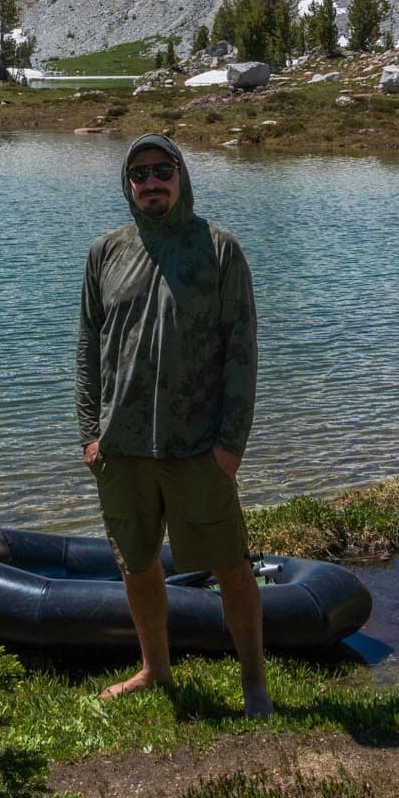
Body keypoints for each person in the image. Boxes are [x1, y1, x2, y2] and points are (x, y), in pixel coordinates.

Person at [75, 133, 271, 717]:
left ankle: (255, 684)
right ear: (127, 186)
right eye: (140, 174)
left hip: (197, 446)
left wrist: (231, 444)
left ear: (181, 177)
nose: (151, 182)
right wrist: (90, 432)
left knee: (231, 567)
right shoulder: (106, 252)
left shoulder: (219, 248)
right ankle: (155, 671)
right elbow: (88, 346)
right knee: (137, 565)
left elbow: (243, 349)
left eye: (162, 170)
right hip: (122, 445)